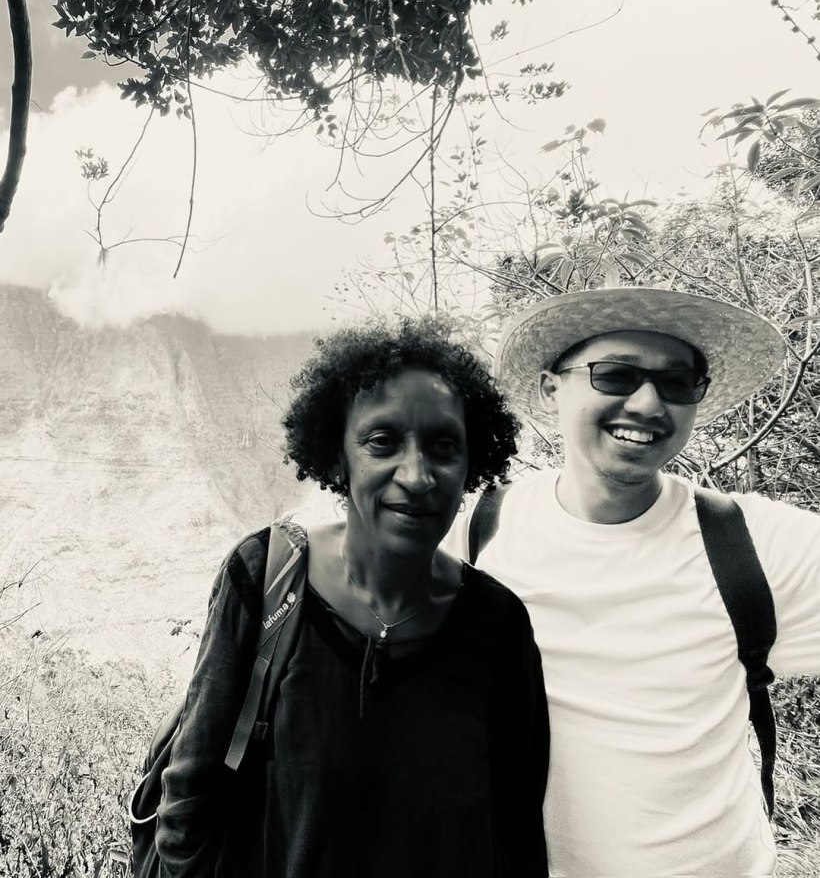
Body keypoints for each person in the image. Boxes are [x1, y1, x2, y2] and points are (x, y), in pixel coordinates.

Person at [155, 316, 549, 878]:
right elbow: (189, 801)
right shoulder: (266, 578)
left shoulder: (499, 626)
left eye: (444, 446)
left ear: (472, 463)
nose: (417, 475)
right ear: (338, 454)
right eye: (382, 442)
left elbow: (516, 830)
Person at [451, 286, 820, 878]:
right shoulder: (474, 537)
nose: (649, 404)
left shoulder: (752, 545)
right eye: (616, 375)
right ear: (551, 389)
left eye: (677, 383)